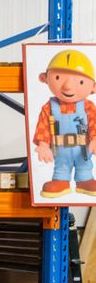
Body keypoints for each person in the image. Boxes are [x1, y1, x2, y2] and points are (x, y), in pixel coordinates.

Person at [33, 49, 96, 197]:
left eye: (80, 81)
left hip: (83, 150)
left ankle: (85, 181)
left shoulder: (88, 107)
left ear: (93, 87)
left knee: (84, 166)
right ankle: (61, 182)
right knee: (61, 167)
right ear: (45, 78)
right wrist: (43, 146)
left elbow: (94, 123)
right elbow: (43, 127)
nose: (67, 86)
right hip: (60, 150)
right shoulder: (49, 107)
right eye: (58, 77)